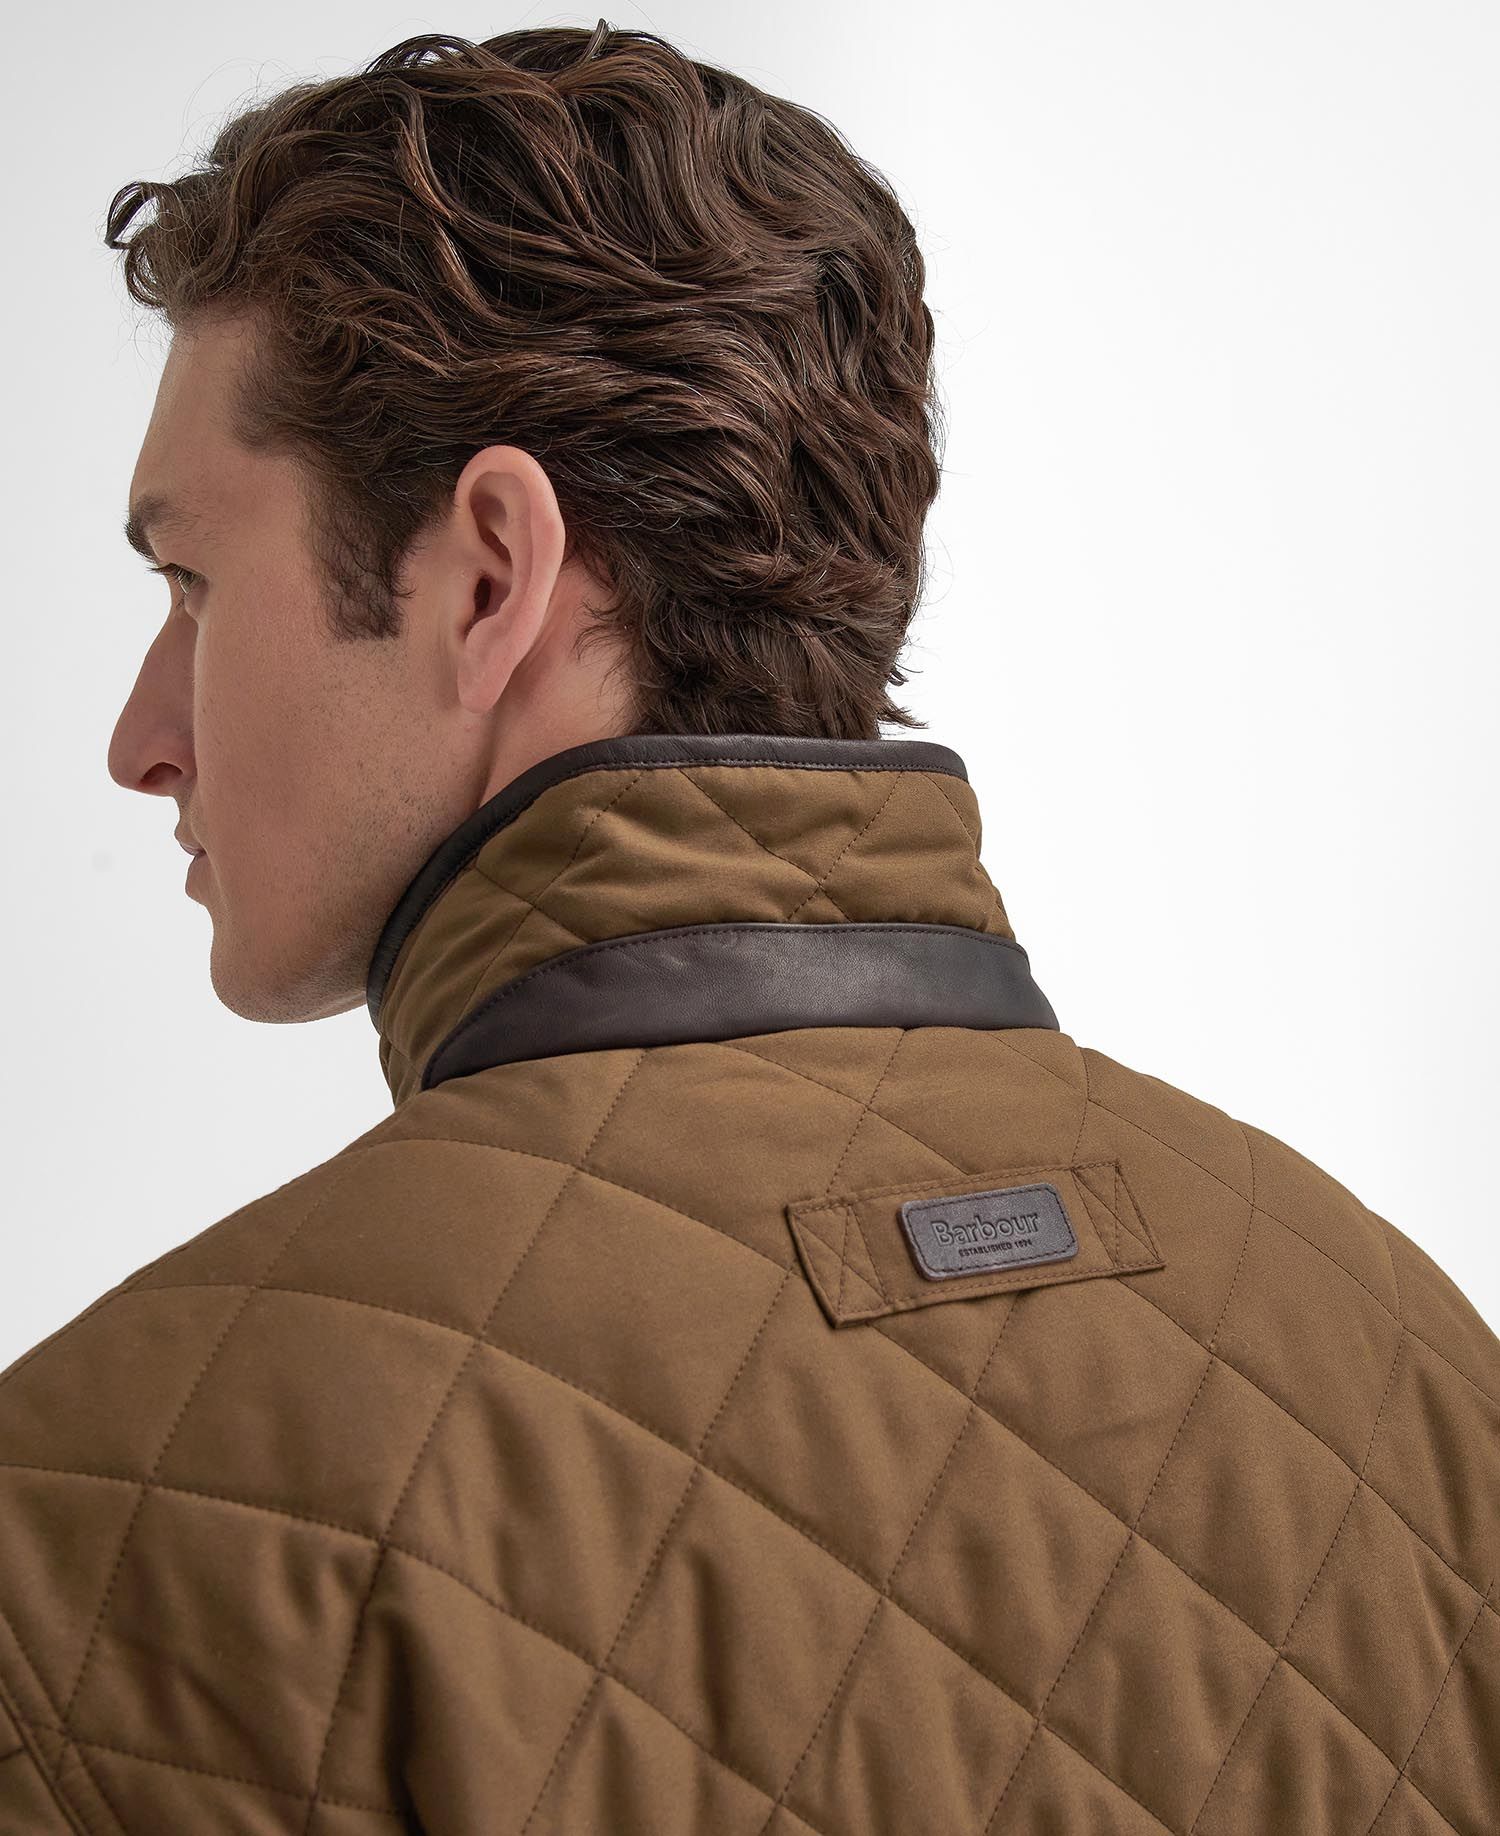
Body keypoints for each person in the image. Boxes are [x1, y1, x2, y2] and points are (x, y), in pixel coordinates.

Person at [2, 21, 1495, 1834]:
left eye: (191, 581)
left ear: (488, 576)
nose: (138, 738)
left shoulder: (96, 1552)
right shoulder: (1418, 1371)